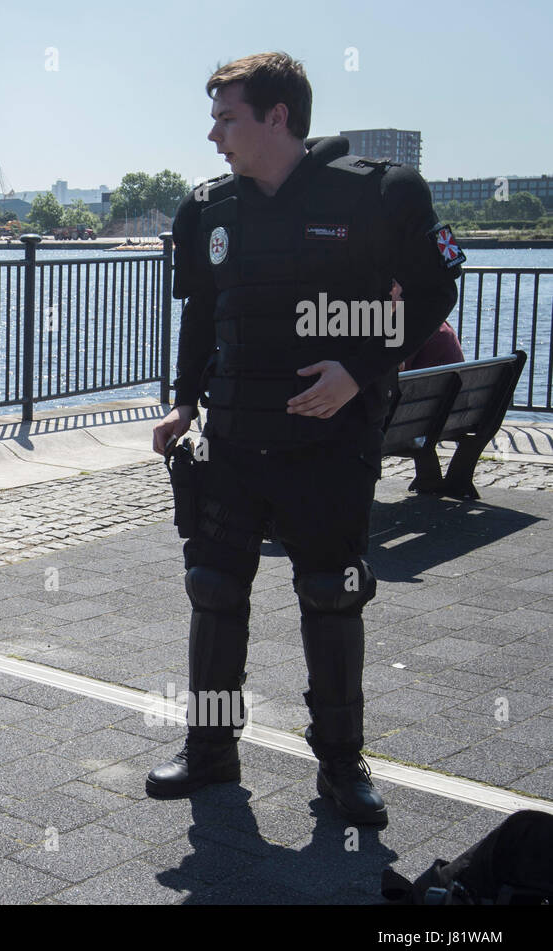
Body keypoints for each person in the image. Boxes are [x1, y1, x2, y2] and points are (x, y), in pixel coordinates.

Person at [149, 53, 464, 826]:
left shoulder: (380, 193)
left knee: (332, 595)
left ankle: (340, 765)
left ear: (277, 117)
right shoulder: (208, 208)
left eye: (227, 116)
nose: (214, 133)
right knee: (214, 593)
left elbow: (436, 288)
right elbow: (201, 314)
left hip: (329, 444)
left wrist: (360, 369)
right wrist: (184, 404)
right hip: (231, 442)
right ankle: (211, 746)